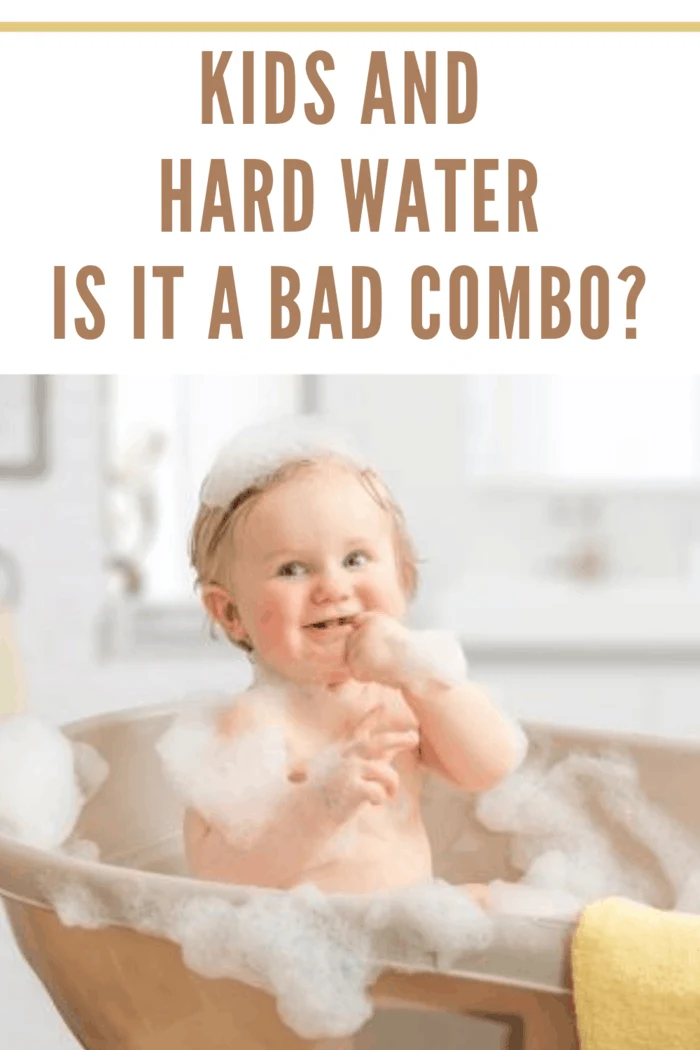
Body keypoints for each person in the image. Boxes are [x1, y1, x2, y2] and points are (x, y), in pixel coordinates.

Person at [177, 416, 527, 903]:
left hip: (418, 925)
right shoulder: (254, 724)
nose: (333, 588)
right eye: (293, 569)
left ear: (402, 577)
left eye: (356, 560)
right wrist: (319, 804)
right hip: (302, 944)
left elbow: (490, 766)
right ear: (231, 613)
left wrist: (420, 671)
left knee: (515, 909)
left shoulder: (399, 700)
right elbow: (219, 875)